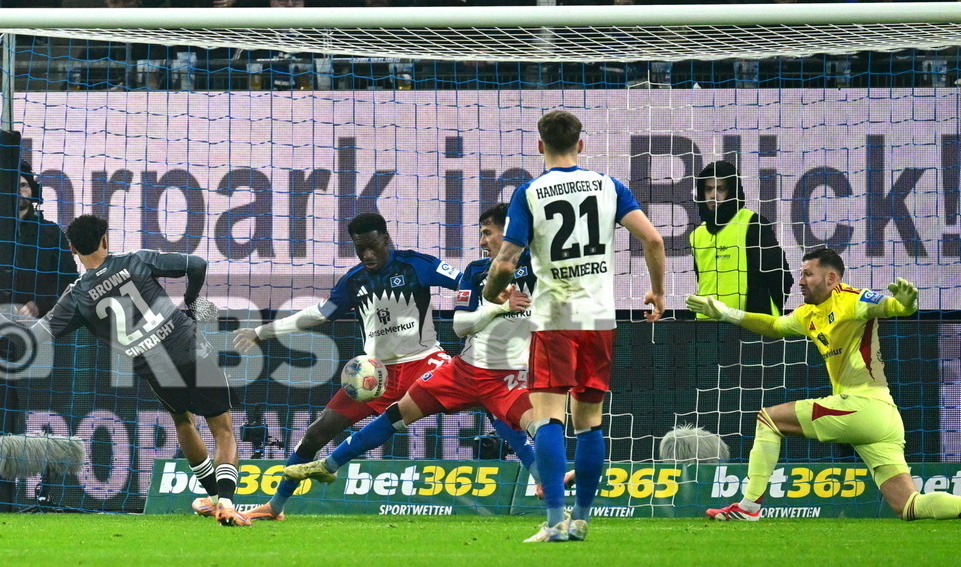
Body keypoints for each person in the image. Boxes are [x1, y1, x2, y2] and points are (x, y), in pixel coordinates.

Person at [483, 110, 667, 542]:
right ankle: (582, 519)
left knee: (548, 418)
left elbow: (506, 260)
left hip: (555, 318)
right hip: (600, 318)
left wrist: (494, 293)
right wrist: (658, 292)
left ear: (539, 145)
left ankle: (554, 521)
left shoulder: (530, 192)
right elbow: (654, 240)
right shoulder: (608, 185)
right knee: (590, 422)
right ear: (581, 145)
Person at [0, 214, 249, 526]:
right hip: (188, 347)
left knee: (183, 421)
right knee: (222, 428)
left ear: (73, 249)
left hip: (154, 365)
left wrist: (15, 323)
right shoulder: (136, 260)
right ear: (105, 240)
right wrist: (190, 299)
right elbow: (196, 264)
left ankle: (212, 499)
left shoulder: (77, 296)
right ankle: (225, 500)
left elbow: (37, 336)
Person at [281, 203, 542, 490]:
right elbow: (460, 326)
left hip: (506, 374)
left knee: (537, 427)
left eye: (487, 233)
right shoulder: (476, 271)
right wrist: (497, 308)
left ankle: (549, 485)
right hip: (463, 371)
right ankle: (323, 469)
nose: (481, 241)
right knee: (398, 413)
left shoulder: (542, 266)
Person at [688, 247, 961, 522]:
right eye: (801, 274)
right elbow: (774, 326)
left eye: (808, 274)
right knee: (910, 506)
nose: (801, 281)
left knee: (769, 419)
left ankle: (748, 508)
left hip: (863, 405)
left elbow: (892, 307)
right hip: (881, 416)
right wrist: (726, 313)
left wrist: (908, 304)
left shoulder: (853, 299)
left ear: (831, 278)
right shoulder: (808, 314)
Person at [234, 212, 463, 522]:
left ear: (385, 238)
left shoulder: (416, 264)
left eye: (372, 246)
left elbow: (466, 282)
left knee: (485, 393)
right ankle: (275, 506)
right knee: (316, 433)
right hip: (375, 375)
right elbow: (318, 314)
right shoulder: (353, 281)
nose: (367, 255)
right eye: (359, 248)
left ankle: (543, 476)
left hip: (424, 361)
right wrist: (262, 332)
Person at [0, 159, 79, 511]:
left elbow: (69, 280)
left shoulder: (52, 233)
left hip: (40, 337)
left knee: (45, 415)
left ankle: (48, 494)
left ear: (33, 191)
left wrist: (40, 305)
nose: (17, 191)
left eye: (23, 185)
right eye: (11, 186)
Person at [690, 160, 791, 317]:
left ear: (732, 191)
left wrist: (763, 311)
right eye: (708, 189)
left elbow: (780, 276)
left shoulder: (753, 223)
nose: (713, 195)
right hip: (707, 326)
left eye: (720, 189)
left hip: (749, 326)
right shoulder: (697, 235)